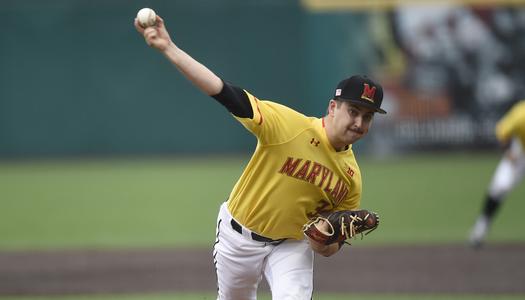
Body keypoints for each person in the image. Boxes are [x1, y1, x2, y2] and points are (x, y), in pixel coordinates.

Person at [134, 14, 386, 299]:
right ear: (332, 107)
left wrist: (323, 241)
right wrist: (170, 49)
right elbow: (222, 91)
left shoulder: (351, 179)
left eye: (368, 117)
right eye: (353, 111)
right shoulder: (288, 126)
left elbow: (328, 248)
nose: (359, 123)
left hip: (291, 245)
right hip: (237, 237)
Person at [469, 99, 525, 248]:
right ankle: (480, 228)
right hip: (523, 152)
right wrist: (508, 152)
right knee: (500, 186)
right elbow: (502, 130)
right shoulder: (523, 114)